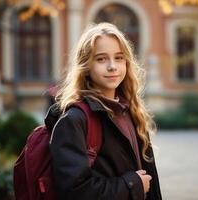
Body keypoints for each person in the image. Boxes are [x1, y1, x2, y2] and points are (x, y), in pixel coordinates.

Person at [46, 23, 162, 200]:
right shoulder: (74, 120)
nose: (112, 66)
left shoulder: (130, 111)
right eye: (101, 59)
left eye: (119, 58)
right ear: (86, 67)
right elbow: (74, 191)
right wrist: (132, 185)